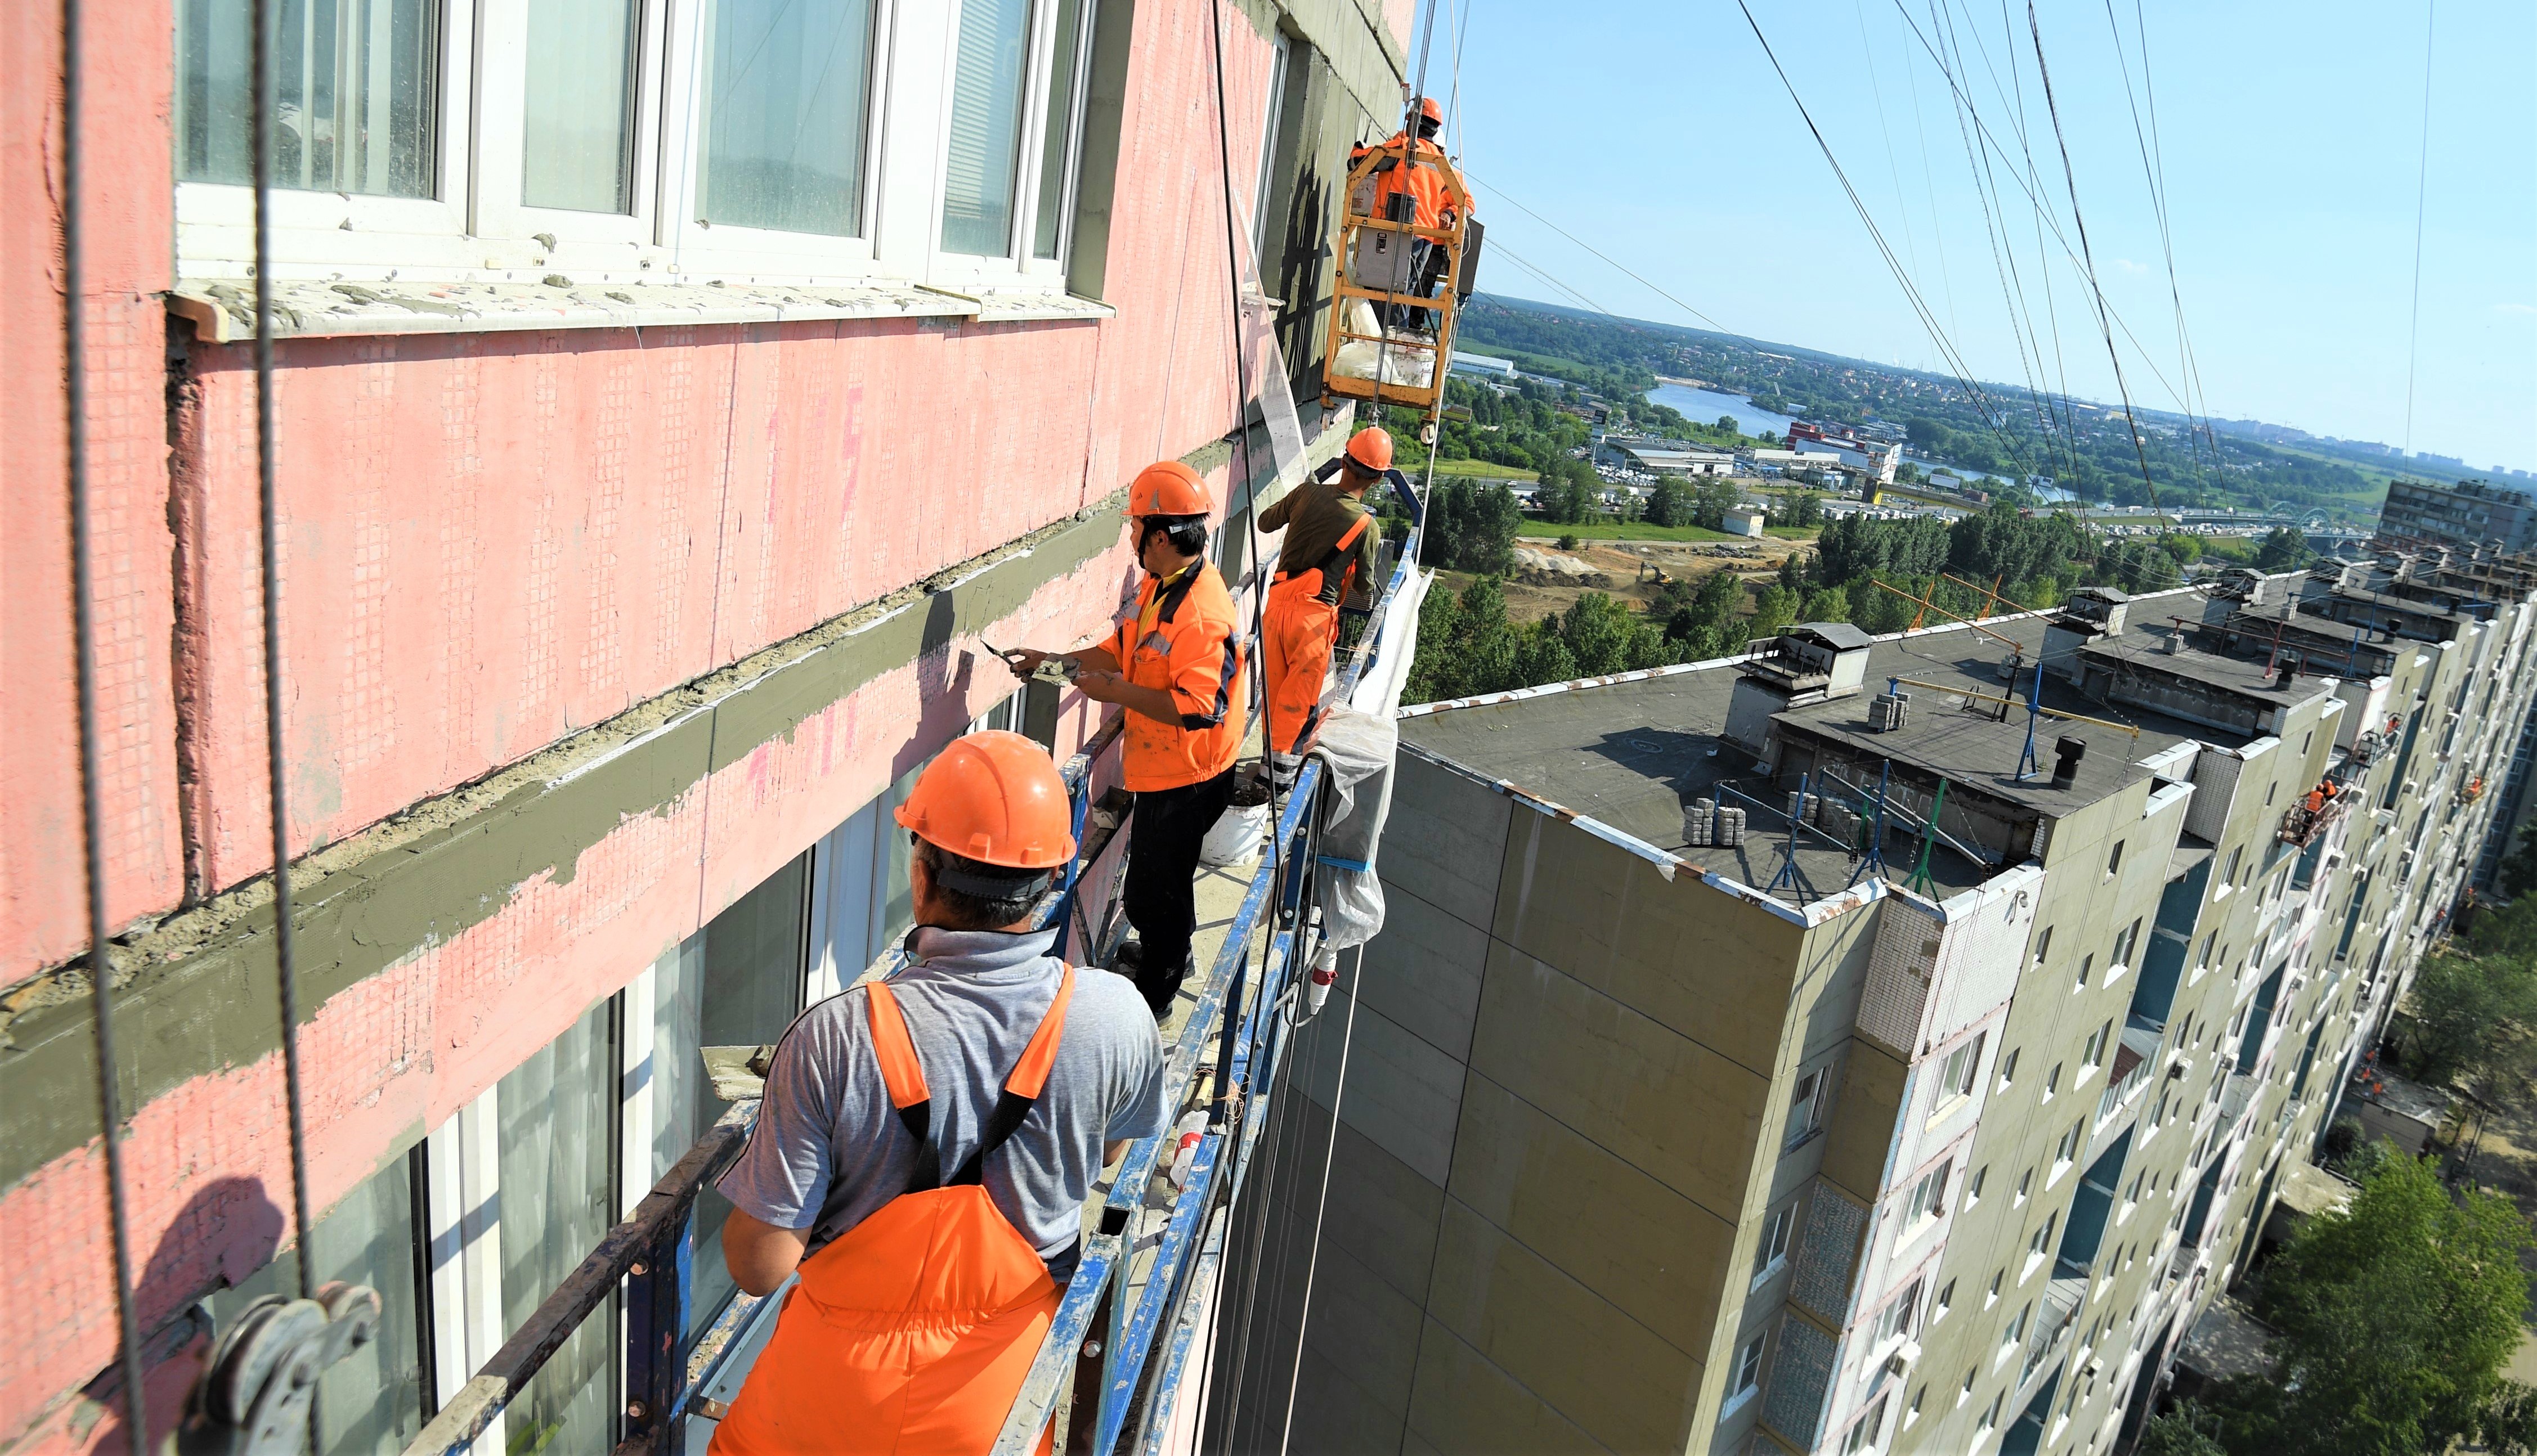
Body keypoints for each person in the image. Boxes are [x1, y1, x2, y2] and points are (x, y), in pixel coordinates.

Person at [709, 731, 1168, 1456]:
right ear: (1054, 880)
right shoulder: (1113, 1016)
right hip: (999, 1410)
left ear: (921, 877)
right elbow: (1110, 1147)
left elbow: (757, 1267)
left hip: (825, 1410)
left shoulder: (834, 1037)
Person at [1006, 461, 1248, 1017]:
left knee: (1148, 895)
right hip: (1170, 769)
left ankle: (1155, 998)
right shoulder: (1162, 582)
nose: (1131, 535)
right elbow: (1123, 647)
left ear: (1159, 535)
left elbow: (1199, 708)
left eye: (1135, 526)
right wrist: (1057, 662)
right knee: (1165, 883)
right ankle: (1173, 951)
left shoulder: (1201, 614)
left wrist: (1114, 691)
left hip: (1191, 775)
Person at [1258, 427, 1396, 778]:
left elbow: (1264, 522)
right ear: (1379, 478)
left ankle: (1266, 765)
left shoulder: (1306, 493)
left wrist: (1307, 502)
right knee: (1298, 698)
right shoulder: (1366, 527)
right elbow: (1365, 590)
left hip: (1275, 606)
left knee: (1273, 692)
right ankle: (1278, 778)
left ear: (1343, 461)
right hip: (1315, 618)